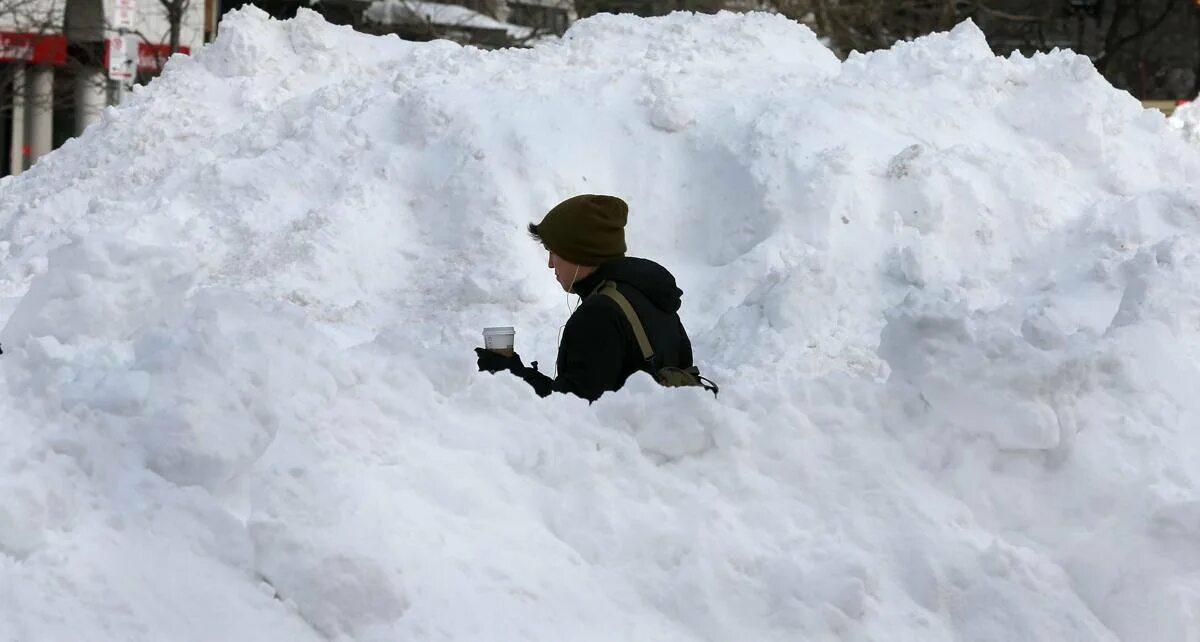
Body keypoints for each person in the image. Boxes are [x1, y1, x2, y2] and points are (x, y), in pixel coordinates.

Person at [474, 194, 702, 402]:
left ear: (580, 252)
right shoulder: (650, 292)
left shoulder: (599, 315)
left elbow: (571, 411)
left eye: (554, 252)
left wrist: (510, 374)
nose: (551, 263)